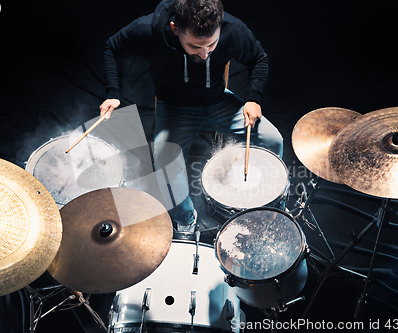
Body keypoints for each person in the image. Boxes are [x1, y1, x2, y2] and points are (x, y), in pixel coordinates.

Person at [100, 0, 283, 231]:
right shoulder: (146, 29)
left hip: (218, 101)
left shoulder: (233, 29)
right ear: (175, 28)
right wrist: (113, 94)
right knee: (165, 168)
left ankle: (265, 202)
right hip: (175, 107)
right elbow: (111, 47)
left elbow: (260, 58)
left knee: (272, 139)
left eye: (212, 44)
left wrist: (254, 98)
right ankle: (186, 221)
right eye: (196, 46)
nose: (205, 54)